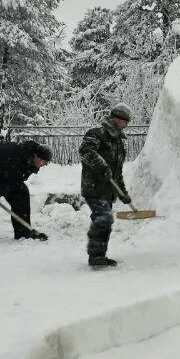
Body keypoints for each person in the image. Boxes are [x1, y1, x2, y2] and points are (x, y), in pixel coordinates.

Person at [79, 103, 133, 268]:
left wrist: (123, 193)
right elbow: (86, 151)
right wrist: (102, 167)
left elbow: (117, 173)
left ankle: (99, 255)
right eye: (125, 121)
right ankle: (95, 256)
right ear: (117, 119)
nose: (127, 125)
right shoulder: (98, 133)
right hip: (94, 186)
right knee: (104, 217)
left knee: (104, 220)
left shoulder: (118, 142)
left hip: (108, 190)